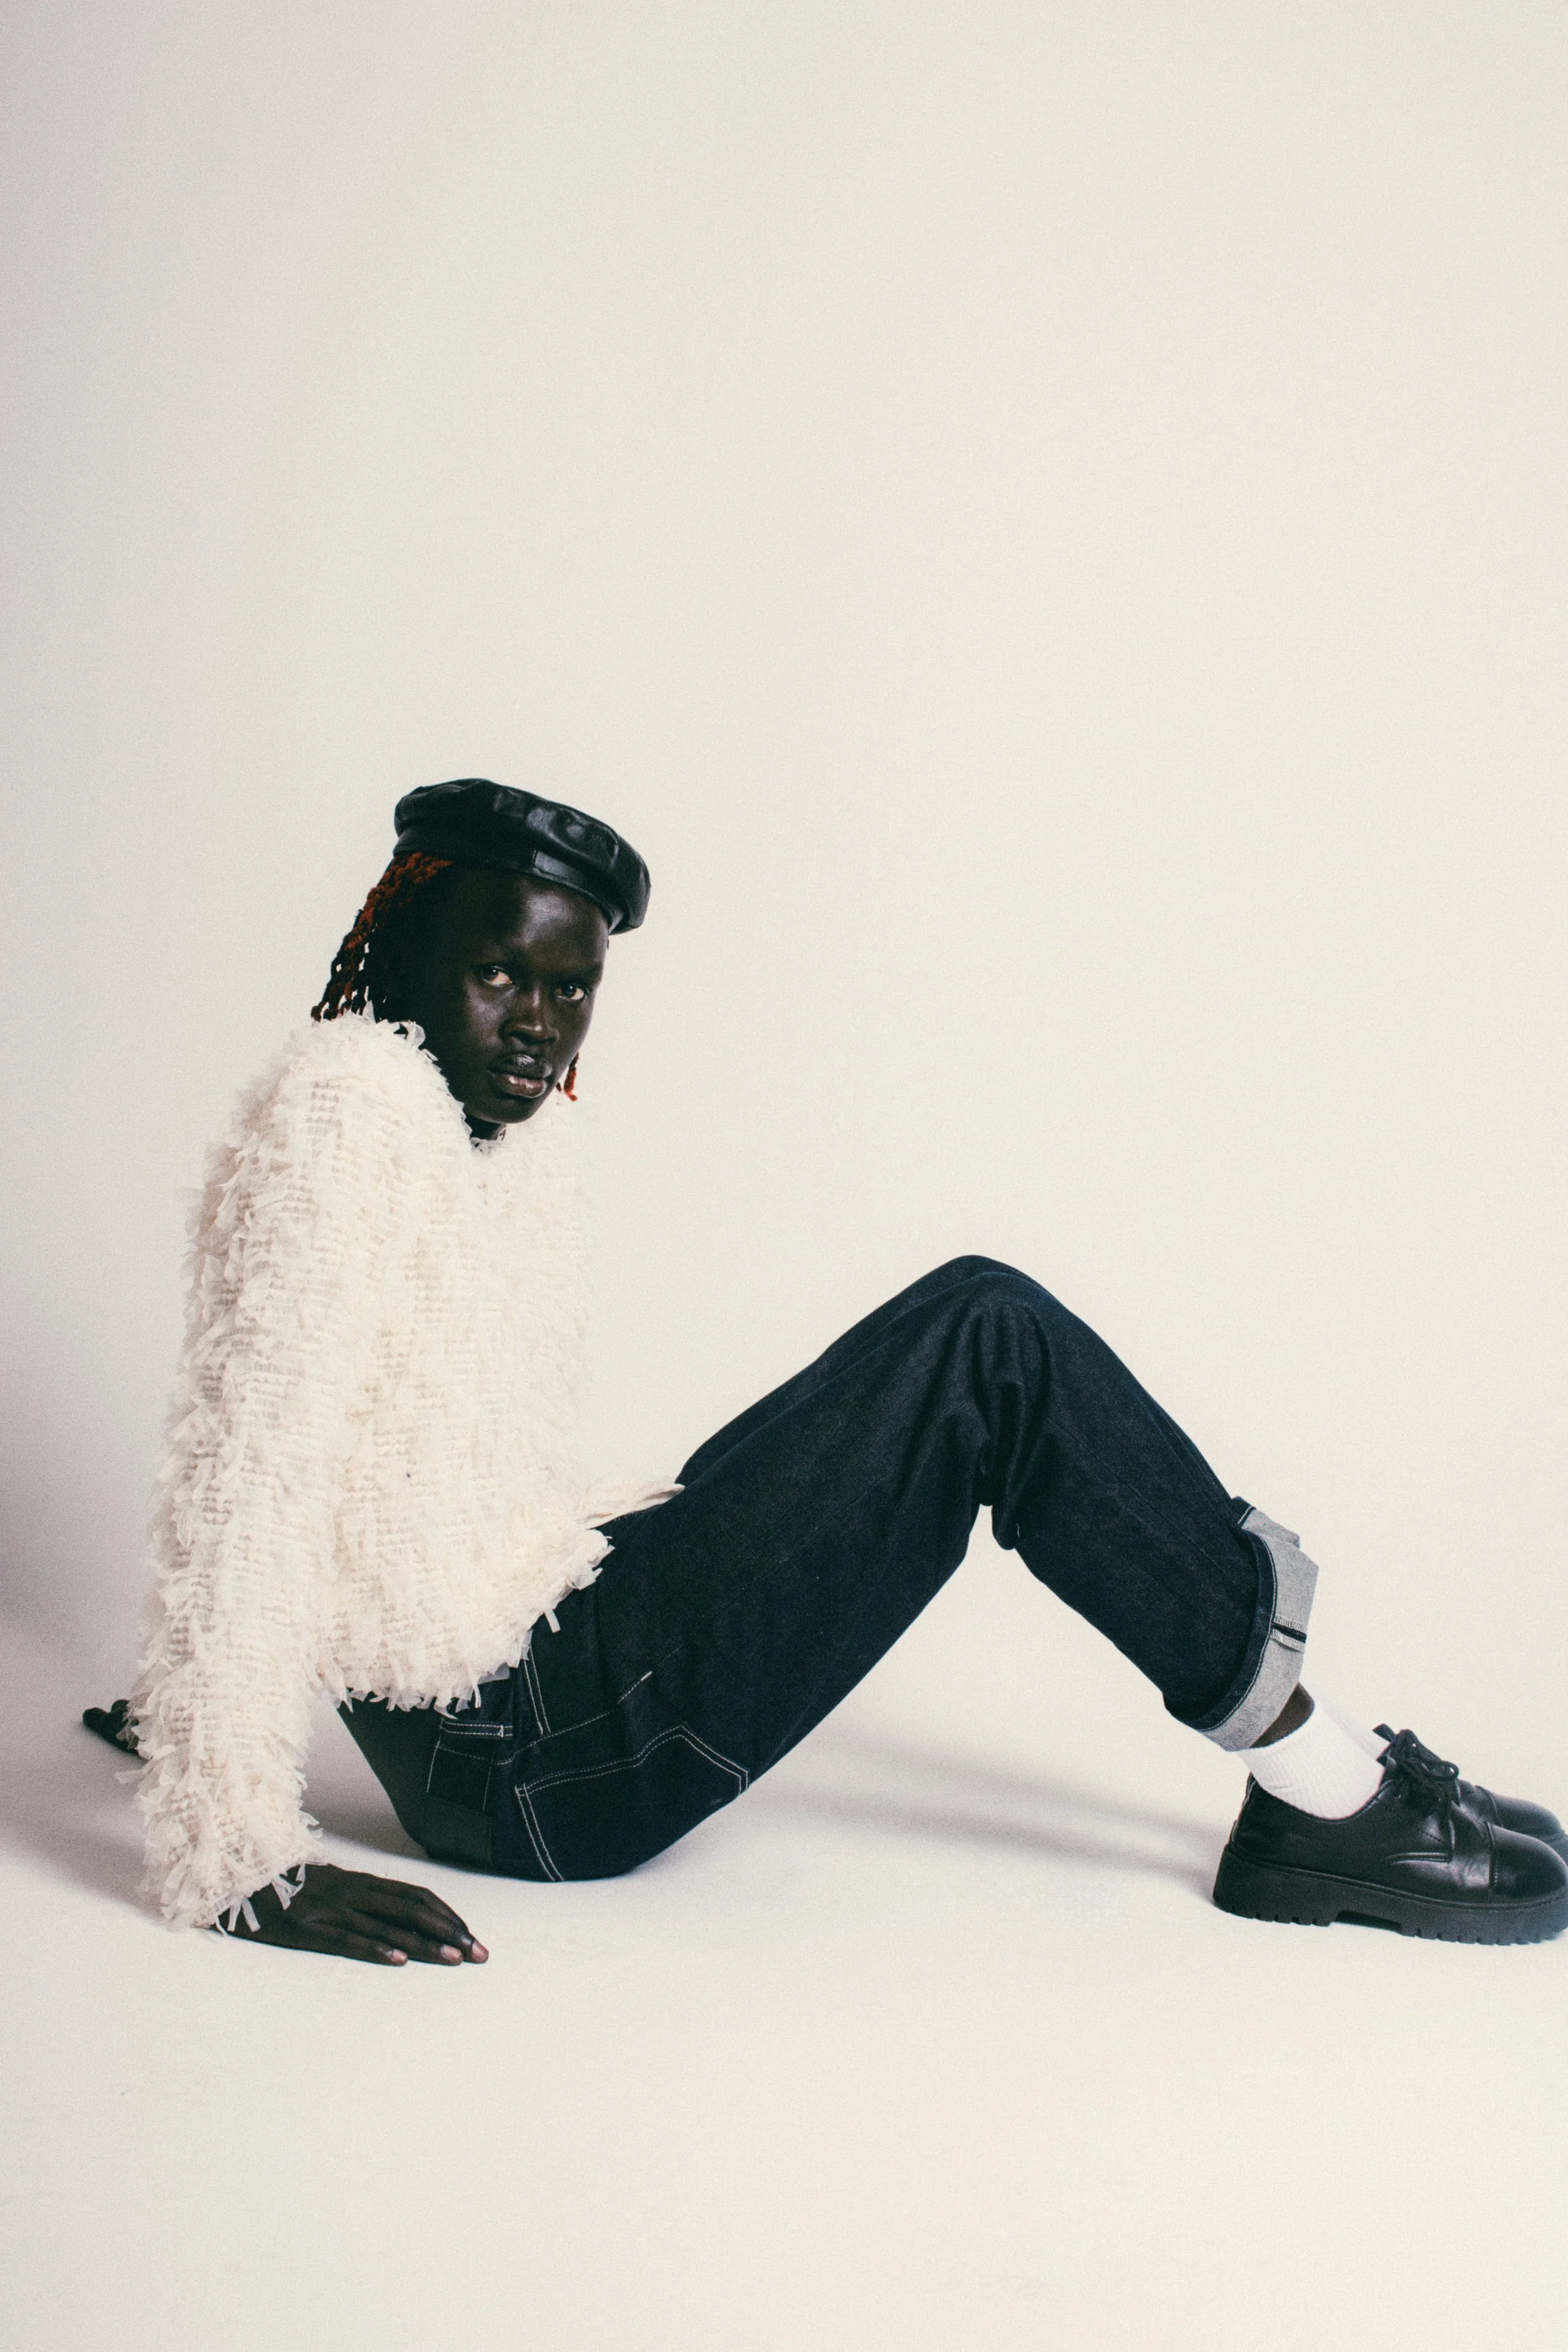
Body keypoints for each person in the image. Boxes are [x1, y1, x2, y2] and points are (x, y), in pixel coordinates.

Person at [86, 778, 1568, 1963]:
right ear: (391, 951)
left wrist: (185, 1695)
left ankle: (1314, 1763)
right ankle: (1326, 1789)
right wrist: (232, 1850)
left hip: (529, 1666)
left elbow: (349, 1445)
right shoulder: (345, 1124)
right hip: (537, 1764)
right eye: (496, 974)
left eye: (568, 990)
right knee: (987, 1343)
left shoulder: (467, 1135)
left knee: (964, 1336)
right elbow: (247, 1465)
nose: (537, 1026)